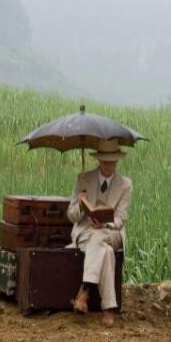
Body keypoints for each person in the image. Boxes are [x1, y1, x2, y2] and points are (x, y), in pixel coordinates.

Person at [67, 138, 133, 327]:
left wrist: (105, 223)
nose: (108, 166)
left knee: (101, 238)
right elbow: (71, 216)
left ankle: (84, 292)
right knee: (106, 252)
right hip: (86, 234)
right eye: (104, 161)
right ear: (98, 160)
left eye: (111, 162)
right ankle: (108, 309)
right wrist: (81, 204)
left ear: (117, 161)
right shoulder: (83, 179)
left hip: (111, 233)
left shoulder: (125, 184)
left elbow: (121, 219)